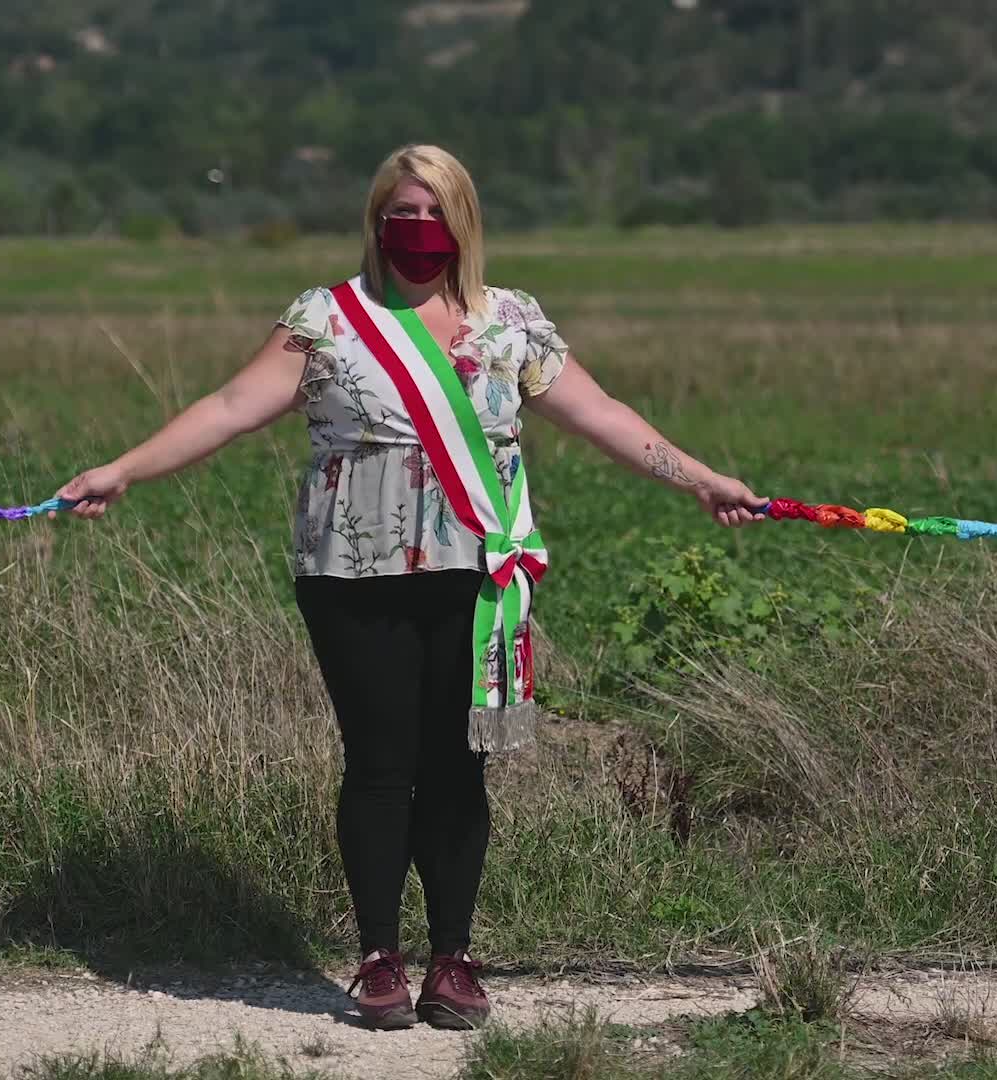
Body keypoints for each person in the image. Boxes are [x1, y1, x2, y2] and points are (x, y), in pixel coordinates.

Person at [56, 144, 765, 1031]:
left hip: (475, 569)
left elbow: (603, 414)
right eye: (400, 216)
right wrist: (125, 469)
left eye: (433, 215)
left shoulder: (511, 323)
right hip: (350, 571)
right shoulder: (328, 317)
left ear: (463, 222)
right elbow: (232, 406)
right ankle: (380, 956)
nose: (415, 233)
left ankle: (455, 959)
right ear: (375, 222)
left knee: (457, 764)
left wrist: (698, 477)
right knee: (380, 763)